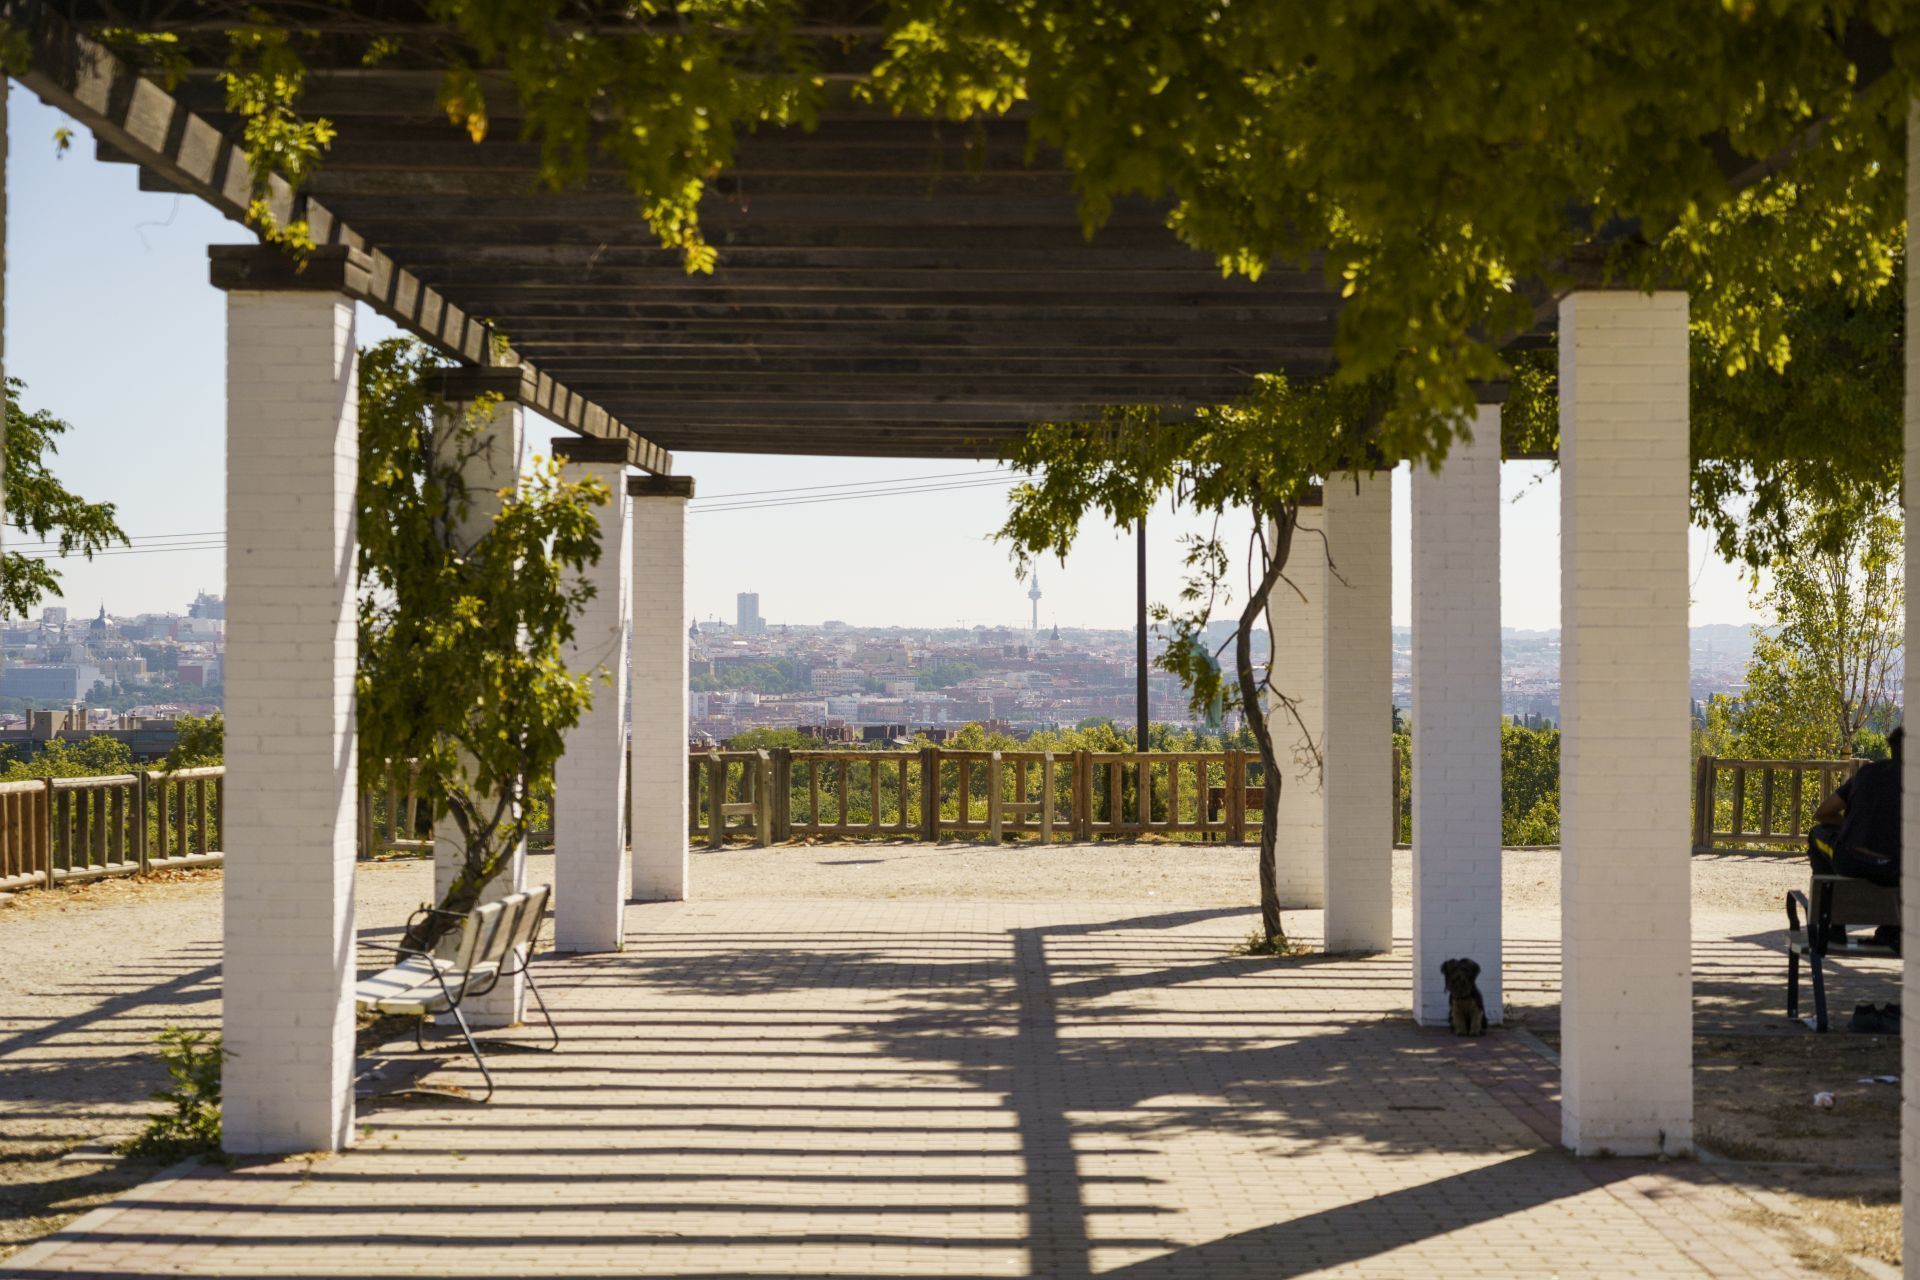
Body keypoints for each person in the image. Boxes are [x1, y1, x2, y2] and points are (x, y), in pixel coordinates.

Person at [1806, 726, 1902, 952]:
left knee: (1817, 835)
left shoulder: (1869, 773)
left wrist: (1854, 825)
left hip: (1853, 861)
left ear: (1892, 748)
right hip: (1897, 869)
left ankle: (1833, 923)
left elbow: (1823, 814)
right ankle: (1893, 928)